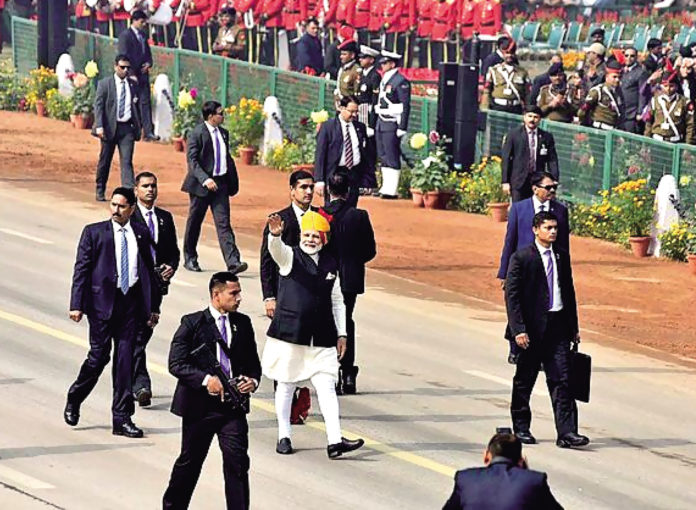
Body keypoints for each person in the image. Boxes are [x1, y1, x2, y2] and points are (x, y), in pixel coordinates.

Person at [262, 211, 365, 458]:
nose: (310, 240)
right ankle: (284, 436)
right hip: (290, 335)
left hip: (322, 337)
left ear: (323, 239)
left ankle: (334, 441)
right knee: (286, 384)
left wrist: (342, 334)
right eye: (306, 235)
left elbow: (338, 300)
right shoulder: (290, 258)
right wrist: (274, 237)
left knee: (327, 386)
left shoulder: (330, 263)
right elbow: (277, 251)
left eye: (315, 236)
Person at [65, 187, 160, 438]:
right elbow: (81, 270)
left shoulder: (140, 233)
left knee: (125, 362)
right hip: (101, 306)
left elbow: (149, 273)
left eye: (121, 206)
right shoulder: (94, 233)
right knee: (98, 358)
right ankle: (75, 397)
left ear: (131, 208)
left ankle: (122, 419)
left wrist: (153, 308)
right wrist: (76, 304)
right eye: (113, 205)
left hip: (130, 305)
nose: (116, 210)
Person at [162, 272, 261, 510]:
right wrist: (207, 380)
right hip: (200, 409)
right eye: (233, 293)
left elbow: (253, 364)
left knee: (237, 464)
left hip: (232, 409)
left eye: (239, 292)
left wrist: (252, 381)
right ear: (216, 295)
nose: (239, 298)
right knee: (190, 462)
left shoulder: (243, 323)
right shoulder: (192, 323)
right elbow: (176, 364)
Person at [505, 211, 590, 449]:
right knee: (525, 381)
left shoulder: (561, 257)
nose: (553, 232)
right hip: (531, 331)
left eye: (555, 228)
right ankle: (521, 427)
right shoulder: (522, 258)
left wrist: (573, 327)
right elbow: (512, 297)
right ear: (535, 230)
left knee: (563, 381)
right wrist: (518, 329)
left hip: (557, 328)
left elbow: (569, 292)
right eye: (548, 228)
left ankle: (567, 432)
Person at [498, 172, 569, 363]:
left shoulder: (560, 211)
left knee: (542, 307)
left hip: (547, 266)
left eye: (554, 187)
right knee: (520, 305)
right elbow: (510, 241)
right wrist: (505, 272)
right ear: (535, 188)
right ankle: (515, 346)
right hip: (523, 267)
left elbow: (563, 244)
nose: (552, 191)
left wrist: (562, 268)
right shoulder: (520, 209)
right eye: (548, 187)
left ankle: (543, 352)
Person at [321, 171, 376, 394]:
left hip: (326, 277)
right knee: (346, 322)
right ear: (349, 191)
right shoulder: (359, 216)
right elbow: (370, 251)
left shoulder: (320, 216)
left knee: (328, 323)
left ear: (328, 191)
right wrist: (353, 262)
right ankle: (348, 373)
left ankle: (332, 370)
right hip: (350, 279)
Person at [130, 172, 180, 408]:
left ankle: (129, 376)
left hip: (156, 289)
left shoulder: (164, 218)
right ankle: (141, 384)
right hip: (132, 287)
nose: (150, 190)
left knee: (144, 332)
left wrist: (171, 266)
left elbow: (173, 251)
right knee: (137, 336)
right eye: (145, 186)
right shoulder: (128, 218)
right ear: (136, 190)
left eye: (153, 186)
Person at [182, 100, 246, 274]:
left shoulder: (224, 133)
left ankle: (233, 262)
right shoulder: (196, 133)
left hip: (220, 185)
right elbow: (192, 161)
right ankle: (190, 257)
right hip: (201, 186)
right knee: (195, 222)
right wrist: (205, 179)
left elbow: (225, 157)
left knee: (223, 223)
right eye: (220, 113)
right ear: (211, 116)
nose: (223, 116)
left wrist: (230, 180)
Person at [442, 432, 563, 510]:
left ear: (486, 457)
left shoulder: (465, 479)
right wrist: (526, 472)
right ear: (521, 461)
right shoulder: (534, 481)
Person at [260, 170, 316, 317]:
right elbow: (267, 261)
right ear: (292, 190)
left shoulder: (321, 218)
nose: (309, 191)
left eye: (311, 187)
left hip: (315, 292)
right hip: (285, 292)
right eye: (303, 187)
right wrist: (269, 297)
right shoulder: (279, 220)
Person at [93, 54, 141, 202]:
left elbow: (137, 107)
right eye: (122, 67)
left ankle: (128, 193)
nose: (125, 70)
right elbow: (98, 106)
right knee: (105, 160)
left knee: (126, 161)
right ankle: (100, 188)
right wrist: (99, 126)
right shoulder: (105, 84)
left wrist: (140, 126)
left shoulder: (132, 85)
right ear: (115, 67)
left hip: (127, 128)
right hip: (109, 128)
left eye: (127, 68)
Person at [315, 96, 368, 207]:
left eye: (356, 112)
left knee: (351, 210)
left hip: (353, 174)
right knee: (333, 210)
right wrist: (319, 180)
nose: (354, 115)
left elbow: (366, 154)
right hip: (335, 175)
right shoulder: (328, 127)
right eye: (351, 111)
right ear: (341, 108)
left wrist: (366, 179)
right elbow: (320, 154)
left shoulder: (360, 127)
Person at [501, 106, 559, 203]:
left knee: (536, 210)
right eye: (530, 116)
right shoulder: (513, 135)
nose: (532, 120)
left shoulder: (546, 137)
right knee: (518, 210)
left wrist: (554, 178)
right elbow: (506, 158)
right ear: (524, 117)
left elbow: (552, 159)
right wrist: (505, 181)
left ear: (540, 119)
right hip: (518, 180)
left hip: (538, 181)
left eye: (535, 117)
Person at [117, 10, 158, 142]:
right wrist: (130, 73)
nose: (144, 24)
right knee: (131, 103)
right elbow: (124, 56)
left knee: (145, 102)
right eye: (142, 21)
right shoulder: (125, 36)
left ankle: (148, 132)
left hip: (143, 74)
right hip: (132, 75)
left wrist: (149, 63)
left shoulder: (143, 35)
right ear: (134, 20)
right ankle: (132, 130)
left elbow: (148, 53)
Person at [375, 50, 411, 199]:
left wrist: (402, 127)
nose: (382, 66)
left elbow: (405, 105)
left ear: (392, 64)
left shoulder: (400, 81)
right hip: (381, 121)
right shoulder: (386, 79)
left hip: (391, 122)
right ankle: (386, 187)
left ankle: (392, 189)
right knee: (383, 155)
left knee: (392, 155)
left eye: (385, 63)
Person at [644, 69, 695, 144]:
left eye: (671, 86)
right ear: (661, 86)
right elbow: (648, 123)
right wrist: (646, 143)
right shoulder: (655, 100)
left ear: (676, 86)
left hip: (675, 142)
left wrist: (688, 146)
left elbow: (690, 125)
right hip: (656, 141)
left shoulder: (684, 102)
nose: (668, 89)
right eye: (665, 86)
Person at [356, 45, 381, 192]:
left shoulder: (374, 76)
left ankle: (370, 184)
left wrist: (371, 124)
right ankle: (364, 181)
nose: (360, 60)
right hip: (361, 114)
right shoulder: (364, 75)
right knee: (362, 150)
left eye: (364, 58)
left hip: (369, 117)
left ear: (371, 60)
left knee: (370, 151)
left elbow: (374, 101)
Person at [482, 41, 529, 115]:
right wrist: (484, 109)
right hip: (498, 107)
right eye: (507, 53)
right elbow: (487, 91)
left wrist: (527, 109)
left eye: (511, 53)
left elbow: (527, 93)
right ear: (503, 54)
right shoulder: (494, 70)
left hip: (515, 107)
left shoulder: (522, 72)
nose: (509, 55)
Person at [579, 59, 625, 131]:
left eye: (619, 77)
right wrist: (585, 126)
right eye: (614, 77)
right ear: (606, 77)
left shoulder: (618, 93)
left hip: (613, 130)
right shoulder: (598, 91)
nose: (617, 80)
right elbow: (582, 111)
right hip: (599, 129)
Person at [620, 47, 648, 134]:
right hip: (620, 112)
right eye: (626, 55)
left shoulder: (641, 72)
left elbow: (642, 93)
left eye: (632, 56)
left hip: (632, 113)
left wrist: (640, 112)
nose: (629, 58)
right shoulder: (620, 71)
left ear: (636, 57)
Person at [334, 39, 361, 106]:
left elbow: (356, 92)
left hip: (350, 105)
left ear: (352, 55)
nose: (341, 57)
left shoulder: (356, 70)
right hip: (341, 104)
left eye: (344, 54)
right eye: (341, 54)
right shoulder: (342, 69)